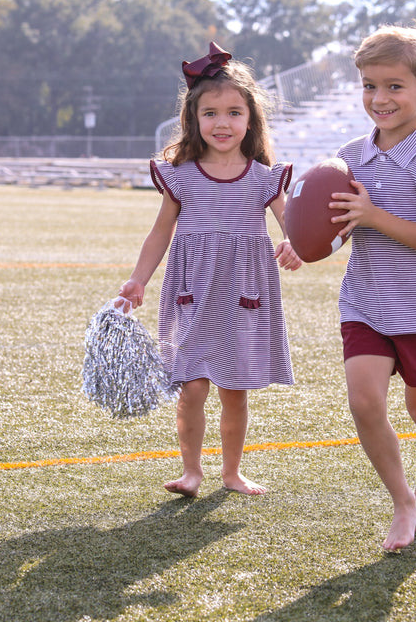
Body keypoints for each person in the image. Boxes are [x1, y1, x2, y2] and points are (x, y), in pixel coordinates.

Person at [119, 42, 302, 497]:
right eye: (211, 113)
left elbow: (293, 227)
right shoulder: (180, 174)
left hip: (243, 294)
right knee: (192, 388)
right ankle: (192, 472)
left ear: (250, 119)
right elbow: (160, 232)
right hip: (192, 292)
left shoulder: (265, 176)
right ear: (194, 120)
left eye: (234, 112)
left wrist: (294, 244)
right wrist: (138, 279)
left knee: (234, 391)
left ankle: (232, 472)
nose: (222, 123)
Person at [328, 25, 416, 550]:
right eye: (369, 85)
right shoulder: (348, 156)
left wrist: (372, 214)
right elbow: (338, 225)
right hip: (364, 301)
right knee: (365, 402)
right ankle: (403, 500)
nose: (379, 98)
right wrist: (306, 242)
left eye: (393, 86)